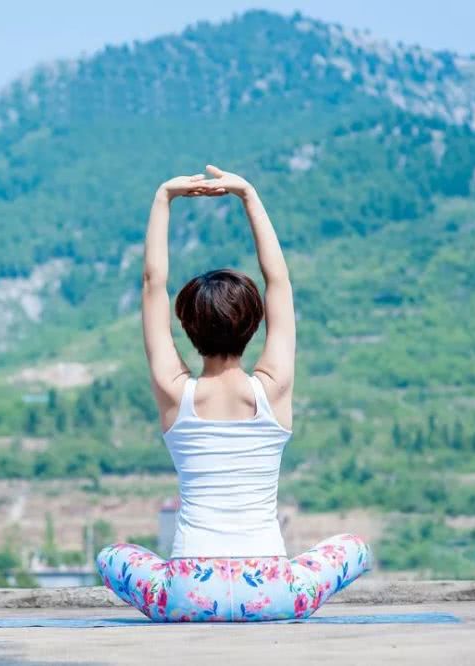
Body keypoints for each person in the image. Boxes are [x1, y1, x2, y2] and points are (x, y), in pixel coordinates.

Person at [96, 165, 372, 622]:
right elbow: (279, 282)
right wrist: (248, 195)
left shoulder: (175, 393)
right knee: (354, 547)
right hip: (272, 591)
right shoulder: (273, 389)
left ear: (188, 327)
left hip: (188, 594)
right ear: (254, 324)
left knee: (111, 555)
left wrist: (163, 197)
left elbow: (152, 284)